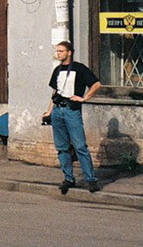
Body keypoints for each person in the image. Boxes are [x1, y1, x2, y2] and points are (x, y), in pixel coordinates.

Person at [43, 40, 101, 193]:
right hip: (58, 111)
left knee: (80, 146)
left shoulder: (79, 68)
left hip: (71, 111)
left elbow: (96, 84)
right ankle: (68, 178)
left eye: (61, 51)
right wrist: (49, 112)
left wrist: (84, 98)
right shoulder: (57, 70)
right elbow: (54, 93)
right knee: (62, 147)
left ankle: (91, 180)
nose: (58, 54)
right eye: (57, 51)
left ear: (69, 52)